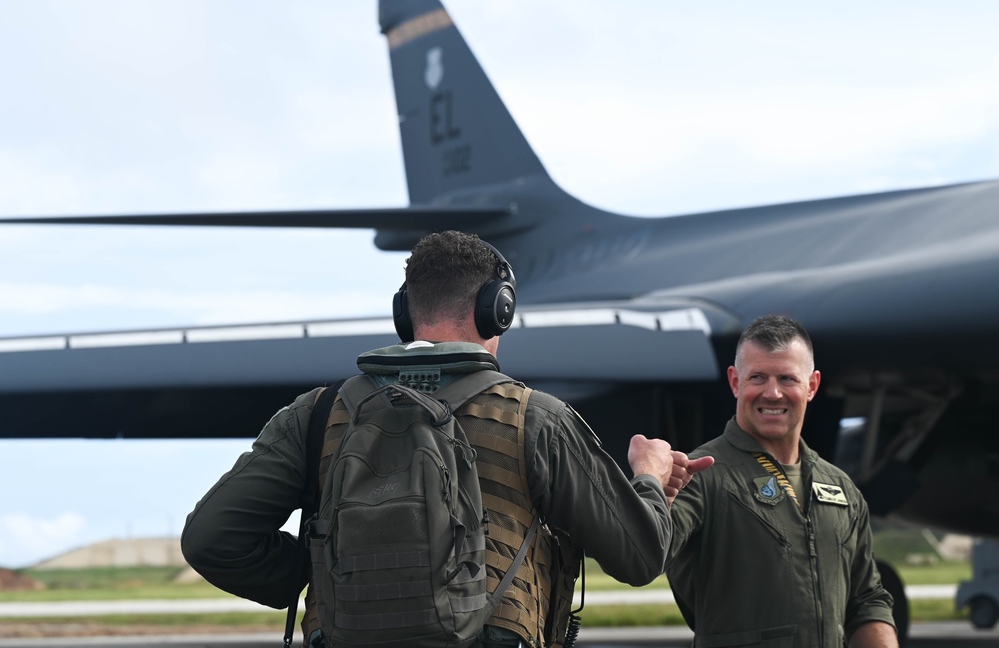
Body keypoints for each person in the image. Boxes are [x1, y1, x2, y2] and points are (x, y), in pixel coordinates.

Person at [182, 230, 686, 648]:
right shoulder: (538, 420)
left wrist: (333, 573)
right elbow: (639, 556)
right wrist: (649, 477)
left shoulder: (315, 415)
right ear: (498, 311)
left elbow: (212, 540)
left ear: (405, 312)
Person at [664, 314, 898, 647]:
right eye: (758, 377)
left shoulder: (840, 488)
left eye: (787, 378)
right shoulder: (702, 476)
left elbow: (866, 599)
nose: (772, 393)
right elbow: (641, 555)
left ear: (812, 386)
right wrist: (652, 488)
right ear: (735, 382)